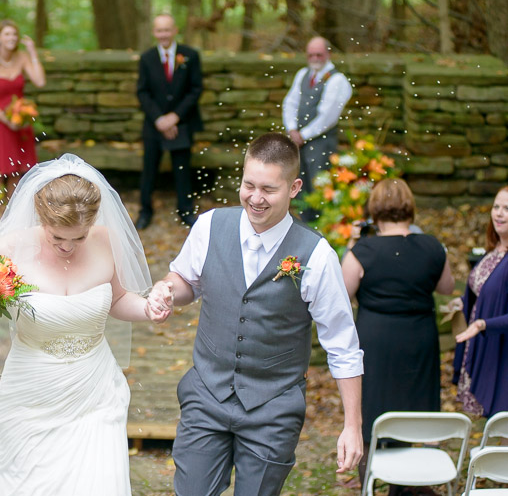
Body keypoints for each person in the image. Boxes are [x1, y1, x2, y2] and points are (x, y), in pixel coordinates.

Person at [150, 133, 364, 495]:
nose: (255, 198)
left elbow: (342, 345)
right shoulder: (209, 226)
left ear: (295, 187)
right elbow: (187, 281)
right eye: (248, 185)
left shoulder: (317, 255)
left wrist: (352, 426)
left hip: (273, 408)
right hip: (207, 395)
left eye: (268, 189)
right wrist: (167, 290)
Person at [0, 154, 169, 495]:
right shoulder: (9, 250)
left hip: (95, 392)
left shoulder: (107, 241)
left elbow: (117, 299)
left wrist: (149, 308)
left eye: (78, 238)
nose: (67, 246)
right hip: (31, 395)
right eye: (57, 238)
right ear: (41, 217)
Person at [340, 179, 454, 491]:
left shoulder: (363, 251)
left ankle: (370, 480)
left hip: (375, 339)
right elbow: (446, 288)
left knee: (373, 405)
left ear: (374, 210)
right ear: (410, 208)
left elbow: (342, 294)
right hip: (419, 337)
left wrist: (352, 246)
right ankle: (409, 486)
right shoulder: (432, 246)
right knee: (415, 404)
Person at [135, 13, 204, 229]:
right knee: (149, 169)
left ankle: (185, 211)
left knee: (182, 169)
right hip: (153, 125)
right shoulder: (146, 58)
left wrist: (175, 117)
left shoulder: (190, 55)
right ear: (154, 33)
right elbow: (142, 92)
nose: (163, 34)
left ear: (175, 30)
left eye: (167, 29)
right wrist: (159, 119)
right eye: (159, 30)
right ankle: (145, 210)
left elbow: (196, 89)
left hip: (181, 123)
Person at [282, 36, 352, 221]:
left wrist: (303, 135)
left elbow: (328, 117)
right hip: (299, 142)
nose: (314, 58)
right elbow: (290, 102)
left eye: (319, 54)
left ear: (328, 54)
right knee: (301, 187)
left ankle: (324, 228)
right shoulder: (302, 74)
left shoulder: (337, 80)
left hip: (322, 143)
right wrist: (291, 129)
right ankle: (306, 226)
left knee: (320, 187)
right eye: (310, 54)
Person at [452, 185, 508, 418]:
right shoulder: (494, 251)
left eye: (507, 209)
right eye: (496, 206)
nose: (499, 213)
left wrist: (484, 324)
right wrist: (463, 302)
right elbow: (487, 293)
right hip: (488, 345)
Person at [0, 19, 46, 198]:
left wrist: (32, 53)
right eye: (7, 34)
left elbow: (40, 81)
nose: (12, 38)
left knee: (17, 175)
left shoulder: (22, 58)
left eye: (15, 34)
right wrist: (7, 120)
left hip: (20, 123)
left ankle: (12, 219)